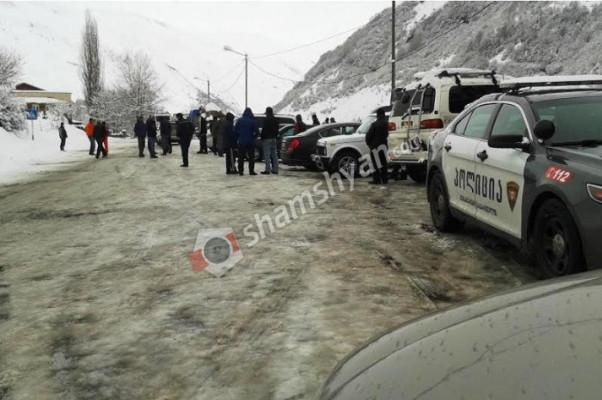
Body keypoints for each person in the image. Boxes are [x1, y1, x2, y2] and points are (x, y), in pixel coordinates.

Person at [365, 108, 389, 185]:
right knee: (384, 163)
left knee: (375, 164)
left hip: (374, 147)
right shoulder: (386, 124)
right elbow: (387, 134)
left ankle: (377, 180)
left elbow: (368, 136)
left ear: (378, 115)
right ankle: (384, 179)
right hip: (383, 146)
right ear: (384, 115)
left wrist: (370, 145)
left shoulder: (374, 124)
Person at [234, 107, 258, 176]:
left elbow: (235, 130)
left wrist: (239, 136)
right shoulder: (253, 121)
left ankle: (241, 171)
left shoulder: (239, 120)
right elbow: (256, 132)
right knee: (251, 157)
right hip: (250, 141)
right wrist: (253, 137)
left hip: (241, 141)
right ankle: (251, 171)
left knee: (241, 157)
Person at [260, 107, 279, 175]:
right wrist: (275, 136)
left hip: (267, 139)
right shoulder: (275, 120)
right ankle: (275, 169)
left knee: (267, 155)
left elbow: (264, 130)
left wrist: (262, 137)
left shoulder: (266, 120)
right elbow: (277, 130)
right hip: (274, 138)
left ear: (267, 113)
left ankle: (267, 170)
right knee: (274, 154)